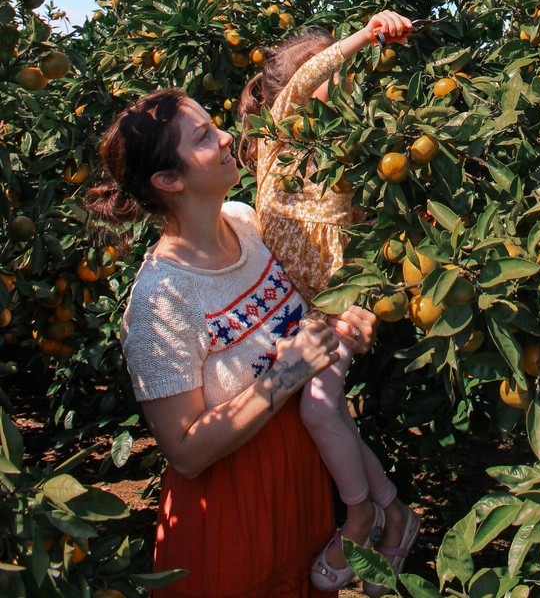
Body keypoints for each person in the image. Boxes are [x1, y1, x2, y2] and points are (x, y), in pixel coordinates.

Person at [84, 88, 380, 597]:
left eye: (214, 124)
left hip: (302, 475)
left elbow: (303, 318)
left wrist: (343, 325)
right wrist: (285, 376)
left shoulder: (245, 221)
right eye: (203, 137)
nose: (225, 137)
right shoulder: (161, 301)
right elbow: (184, 452)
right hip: (233, 505)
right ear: (169, 180)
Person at [238, 10, 421, 595]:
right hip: (280, 318)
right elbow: (310, 74)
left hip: (331, 315)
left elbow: (367, 242)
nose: (344, 102)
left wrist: (368, 299)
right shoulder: (278, 144)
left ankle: (360, 515)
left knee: (320, 409)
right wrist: (367, 36)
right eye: (334, 89)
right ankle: (394, 511)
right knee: (328, 413)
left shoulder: (350, 165)